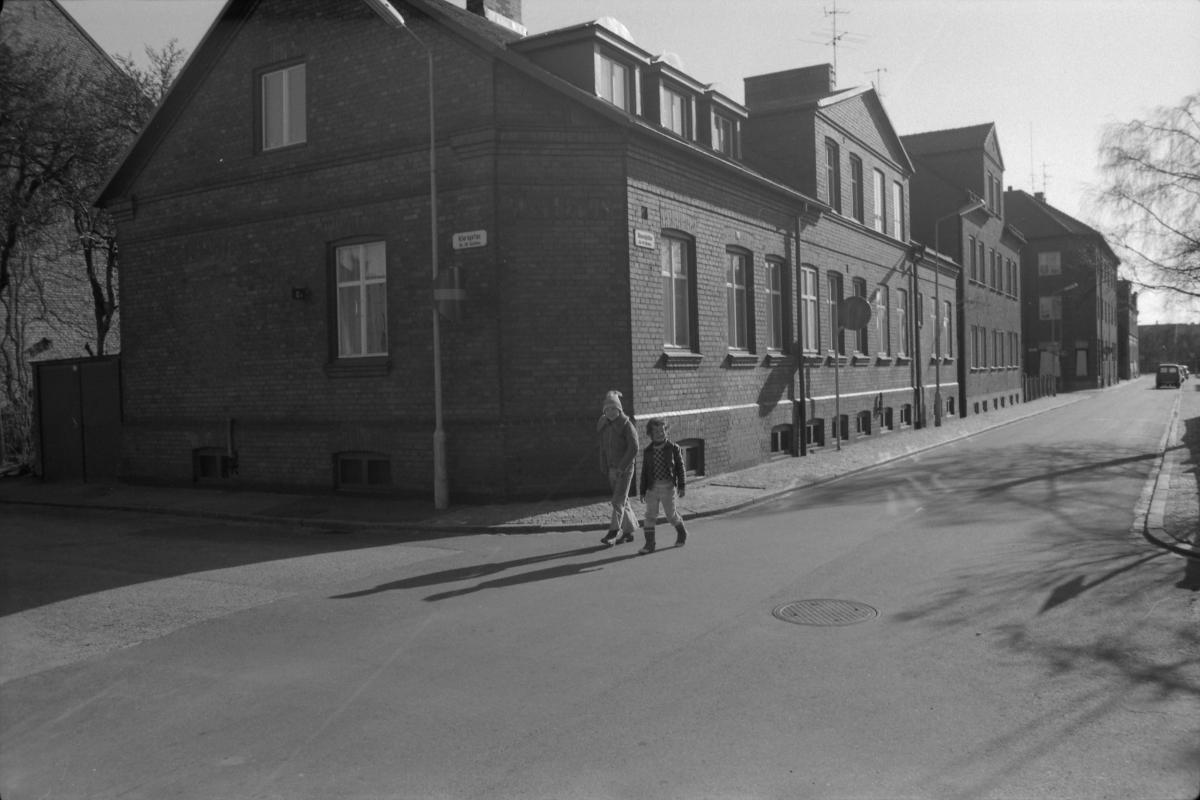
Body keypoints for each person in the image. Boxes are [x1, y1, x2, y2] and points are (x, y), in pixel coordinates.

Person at [637, 417, 688, 554]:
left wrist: (682, 485)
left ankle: (682, 532)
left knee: (671, 516)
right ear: (650, 434)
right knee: (650, 516)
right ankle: (649, 544)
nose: (660, 433)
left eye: (662, 430)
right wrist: (642, 491)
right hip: (652, 488)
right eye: (656, 431)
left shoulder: (673, 448)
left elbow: (680, 468)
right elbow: (644, 472)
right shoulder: (648, 451)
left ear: (666, 431)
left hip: (668, 488)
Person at [597, 390, 639, 546]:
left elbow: (634, 448)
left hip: (625, 469)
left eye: (613, 408)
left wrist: (622, 467)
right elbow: (603, 447)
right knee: (623, 500)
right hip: (612, 469)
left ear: (619, 409)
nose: (610, 412)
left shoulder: (627, 425)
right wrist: (604, 463)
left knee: (617, 501)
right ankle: (629, 531)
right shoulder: (605, 425)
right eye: (607, 409)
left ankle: (613, 532)